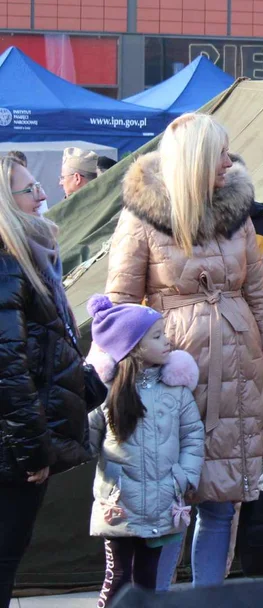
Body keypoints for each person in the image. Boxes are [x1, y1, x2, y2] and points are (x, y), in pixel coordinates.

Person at [103, 112, 263, 589]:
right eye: (219, 154)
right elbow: (120, 308)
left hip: (240, 373)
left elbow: (260, 296)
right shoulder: (142, 216)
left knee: (222, 502)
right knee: (168, 506)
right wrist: (146, 369)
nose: (229, 162)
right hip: (172, 379)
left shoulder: (237, 214)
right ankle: (157, 601)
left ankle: (209, 601)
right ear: (196, 159)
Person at [0, 156, 107, 606]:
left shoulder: (28, 257)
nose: (43, 194)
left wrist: (90, 384)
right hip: (14, 451)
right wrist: (33, 453)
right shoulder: (8, 265)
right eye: (29, 190)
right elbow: (8, 368)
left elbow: (42, 357)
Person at [84, 295, 204, 606]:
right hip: (120, 506)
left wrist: (183, 477)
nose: (167, 341)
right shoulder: (105, 394)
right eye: (157, 336)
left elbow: (193, 435)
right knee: (118, 578)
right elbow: (84, 438)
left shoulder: (176, 391)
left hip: (163, 500)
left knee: (147, 581)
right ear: (135, 346)